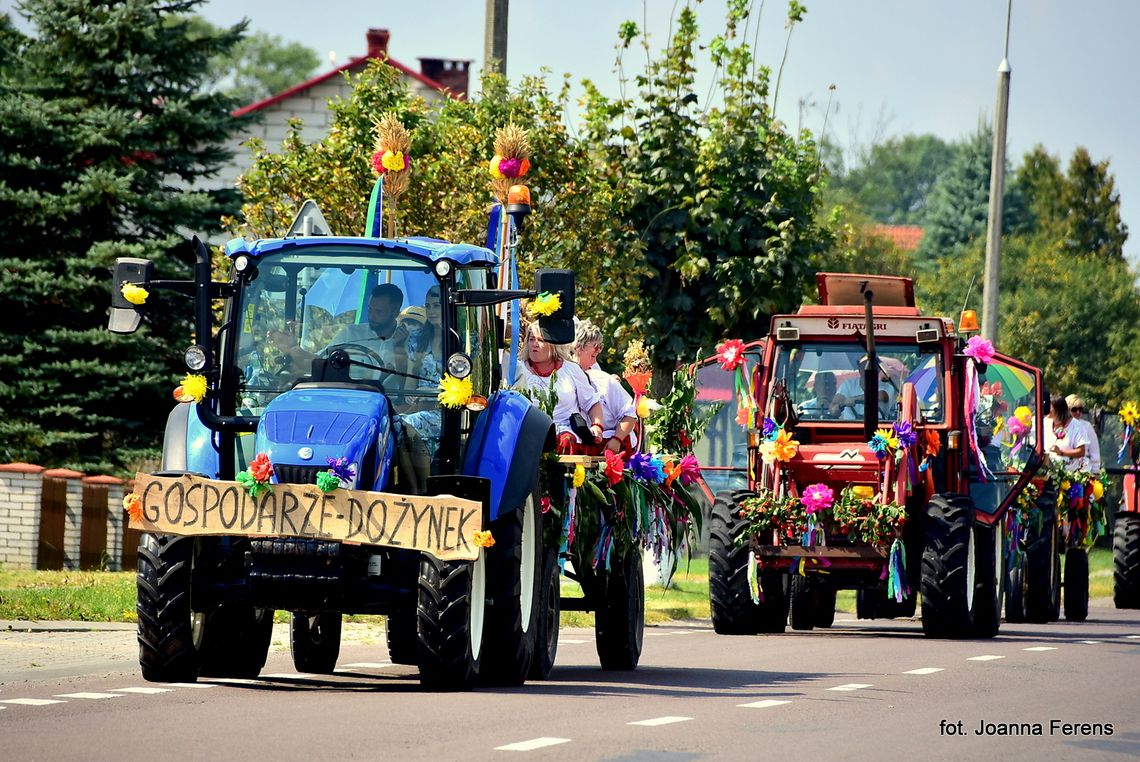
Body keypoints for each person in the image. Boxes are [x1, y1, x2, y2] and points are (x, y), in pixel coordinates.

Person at [515, 320, 604, 454]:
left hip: (565, 436)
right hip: (527, 436)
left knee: (565, 441)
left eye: (540, 340)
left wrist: (597, 426)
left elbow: (592, 403)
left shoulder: (571, 370)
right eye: (531, 339)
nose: (534, 344)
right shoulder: (517, 369)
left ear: (553, 344)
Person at [573, 319, 637, 454]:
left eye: (596, 354)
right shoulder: (563, 379)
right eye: (593, 354)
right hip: (580, 447)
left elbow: (630, 415)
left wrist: (616, 440)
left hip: (611, 448)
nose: (595, 359)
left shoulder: (603, 380)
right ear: (578, 346)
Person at [1045, 395, 1090, 471]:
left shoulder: (1077, 426)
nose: (1046, 410)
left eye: (1049, 408)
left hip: (1067, 474)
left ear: (1058, 410)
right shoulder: (1044, 422)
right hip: (1046, 472)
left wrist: (1061, 452)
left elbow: (1081, 452)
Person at [1066, 393, 1101, 471]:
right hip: (1065, 468)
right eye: (1074, 409)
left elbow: (1095, 452)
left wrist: (1096, 471)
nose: (1078, 412)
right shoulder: (1061, 426)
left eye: (1080, 409)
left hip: (1083, 469)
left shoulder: (1087, 426)